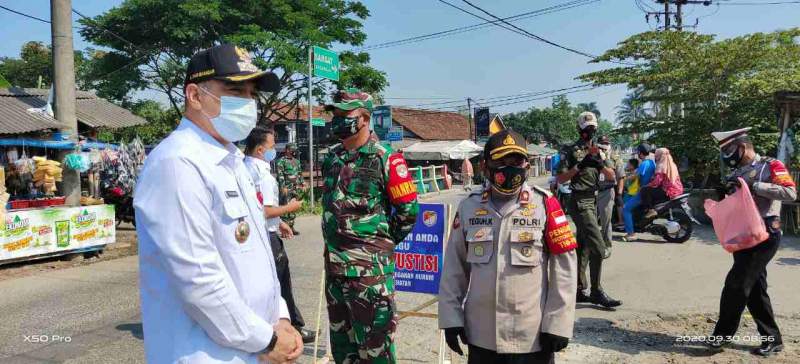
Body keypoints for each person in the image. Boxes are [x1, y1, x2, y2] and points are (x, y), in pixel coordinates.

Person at [134, 44, 303, 363]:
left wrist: (279, 317)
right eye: (234, 90)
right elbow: (198, 280)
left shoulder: (233, 161)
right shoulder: (178, 163)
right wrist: (266, 340)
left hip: (252, 346)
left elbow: (258, 254)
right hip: (207, 353)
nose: (247, 103)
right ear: (195, 95)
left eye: (251, 93)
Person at [439, 129, 578, 364]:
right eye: (501, 161)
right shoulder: (469, 208)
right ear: (485, 166)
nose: (510, 168)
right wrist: (451, 319)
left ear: (526, 165)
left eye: (516, 161)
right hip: (482, 336)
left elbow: (564, 268)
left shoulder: (545, 204)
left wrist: (558, 322)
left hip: (531, 336)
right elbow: (454, 267)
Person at [321, 88, 419, 363]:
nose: (337, 119)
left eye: (344, 114)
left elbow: (408, 212)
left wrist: (377, 247)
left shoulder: (385, 157)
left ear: (364, 118)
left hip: (370, 276)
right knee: (344, 352)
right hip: (335, 273)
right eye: (335, 114)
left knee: (376, 353)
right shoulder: (332, 157)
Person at [707, 127, 795, 357]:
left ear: (743, 147)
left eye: (729, 150)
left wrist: (754, 186)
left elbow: (790, 193)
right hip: (744, 234)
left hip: (765, 234)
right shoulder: (736, 171)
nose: (727, 156)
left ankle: (721, 335)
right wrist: (724, 194)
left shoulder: (771, 165)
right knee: (755, 289)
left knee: (736, 283)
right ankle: (772, 339)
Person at [244, 126, 316, 344]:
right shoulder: (263, 175)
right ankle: (293, 328)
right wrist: (290, 208)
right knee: (281, 283)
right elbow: (264, 210)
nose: (274, 151)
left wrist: (280, 222)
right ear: (259, 150)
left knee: (262, 284)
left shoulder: (243, 169)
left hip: (254, 236)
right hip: (267, 238)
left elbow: (253, 207)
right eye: (271, 147)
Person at [556, 111, 622, 308]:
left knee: (583, 247)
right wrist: (579, 166)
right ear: (579, 129)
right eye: (586, 129)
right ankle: (596, 290)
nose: (589, 132)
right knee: (599, 246)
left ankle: (577, 288)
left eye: (592, 129)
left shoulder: (599, 151)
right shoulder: (569, 150)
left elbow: (612, 176)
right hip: (579, 200)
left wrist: (600, 164)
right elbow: (560, 179)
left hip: (593, 200)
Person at [622, 144, 656, 241]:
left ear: (640, 153)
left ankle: (631, 234)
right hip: (647, 191)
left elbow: (635, 175)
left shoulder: (645, 163)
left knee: (625, 208)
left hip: (642, 192)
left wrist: (623, 179)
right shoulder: (652, 163)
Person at [596, 136, 622, 259]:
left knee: (606, 221)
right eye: (602, 143)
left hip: (606, 190)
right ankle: (591, 246)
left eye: (606, 143)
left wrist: (620, 194)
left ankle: (607, 246)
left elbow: (620, 176)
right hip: (592, 191)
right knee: (590, 221)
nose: (604, 146)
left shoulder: (614, 158)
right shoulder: (594, 155)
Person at [640, 148, 684, 219]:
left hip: (669, 191)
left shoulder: (661, 166)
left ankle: (650, 210)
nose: (656, 157)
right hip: (678, 190)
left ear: (660, 156)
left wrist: (646, 185)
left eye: (657, 155)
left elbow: (656, 182)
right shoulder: (672, 164)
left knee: (644, 190)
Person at [277, 142, 305, 235]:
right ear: (287, 150)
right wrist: (283, 187)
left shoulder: (296, 161)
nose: (293, 151)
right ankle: (285, 229)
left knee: (293, 208)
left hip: (295, 188)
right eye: (292, 149)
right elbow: (280, 175)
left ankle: (291, 227)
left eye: (294, 150)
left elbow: (299, 174)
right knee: (285, 207)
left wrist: (303, 183)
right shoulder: (281, 161)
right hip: (286, 188)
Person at [616, 158, 640, 229]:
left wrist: (622, 178)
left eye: (628, 164)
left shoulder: (635, 173)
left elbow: (626, 180)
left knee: (622, 206)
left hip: (632, 193)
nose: (626, 165)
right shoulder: (634, 172)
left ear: (632, 166)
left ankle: (622, 223)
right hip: (631, 192)